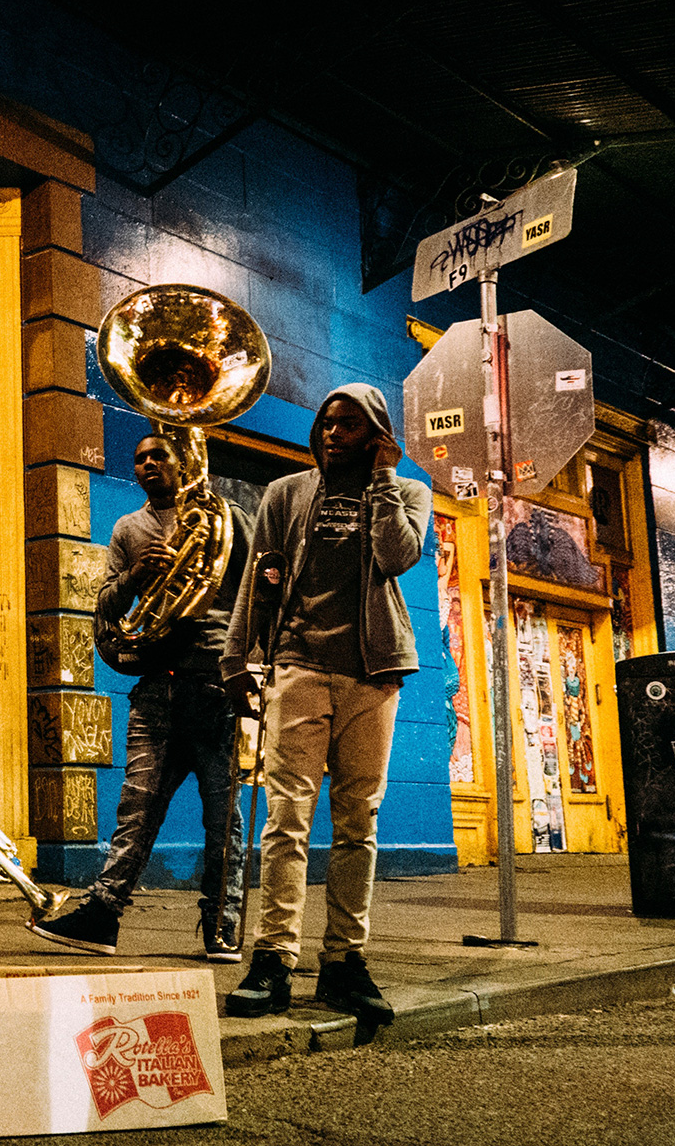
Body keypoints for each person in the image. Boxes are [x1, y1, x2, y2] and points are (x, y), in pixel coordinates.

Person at [220, 384, 430, 1022]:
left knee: (357, 823)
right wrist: (238, 655)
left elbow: (399, 557)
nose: (332, 434)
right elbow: (263, 575)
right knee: (286, 818)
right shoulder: (287, 493)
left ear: (376, 434)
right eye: (326, 424)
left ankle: (344, 961)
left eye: (348, 426)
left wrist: (386, 479)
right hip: (300, 667)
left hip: (374, 673)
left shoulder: (407, 492)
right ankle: (273, 959)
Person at [27, 432, 252, 962]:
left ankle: (223, 924)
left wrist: (252, 666)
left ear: (182, 464)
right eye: (140, 458)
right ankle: (103, 917)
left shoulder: (230, 518)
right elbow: (104, 605)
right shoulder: (129, 528)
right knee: (136, 808)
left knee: (225, 816)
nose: (148, 464)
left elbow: (257, 594)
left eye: (159, 456)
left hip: (215, 685)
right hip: (155, 688)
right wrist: (136, 575)